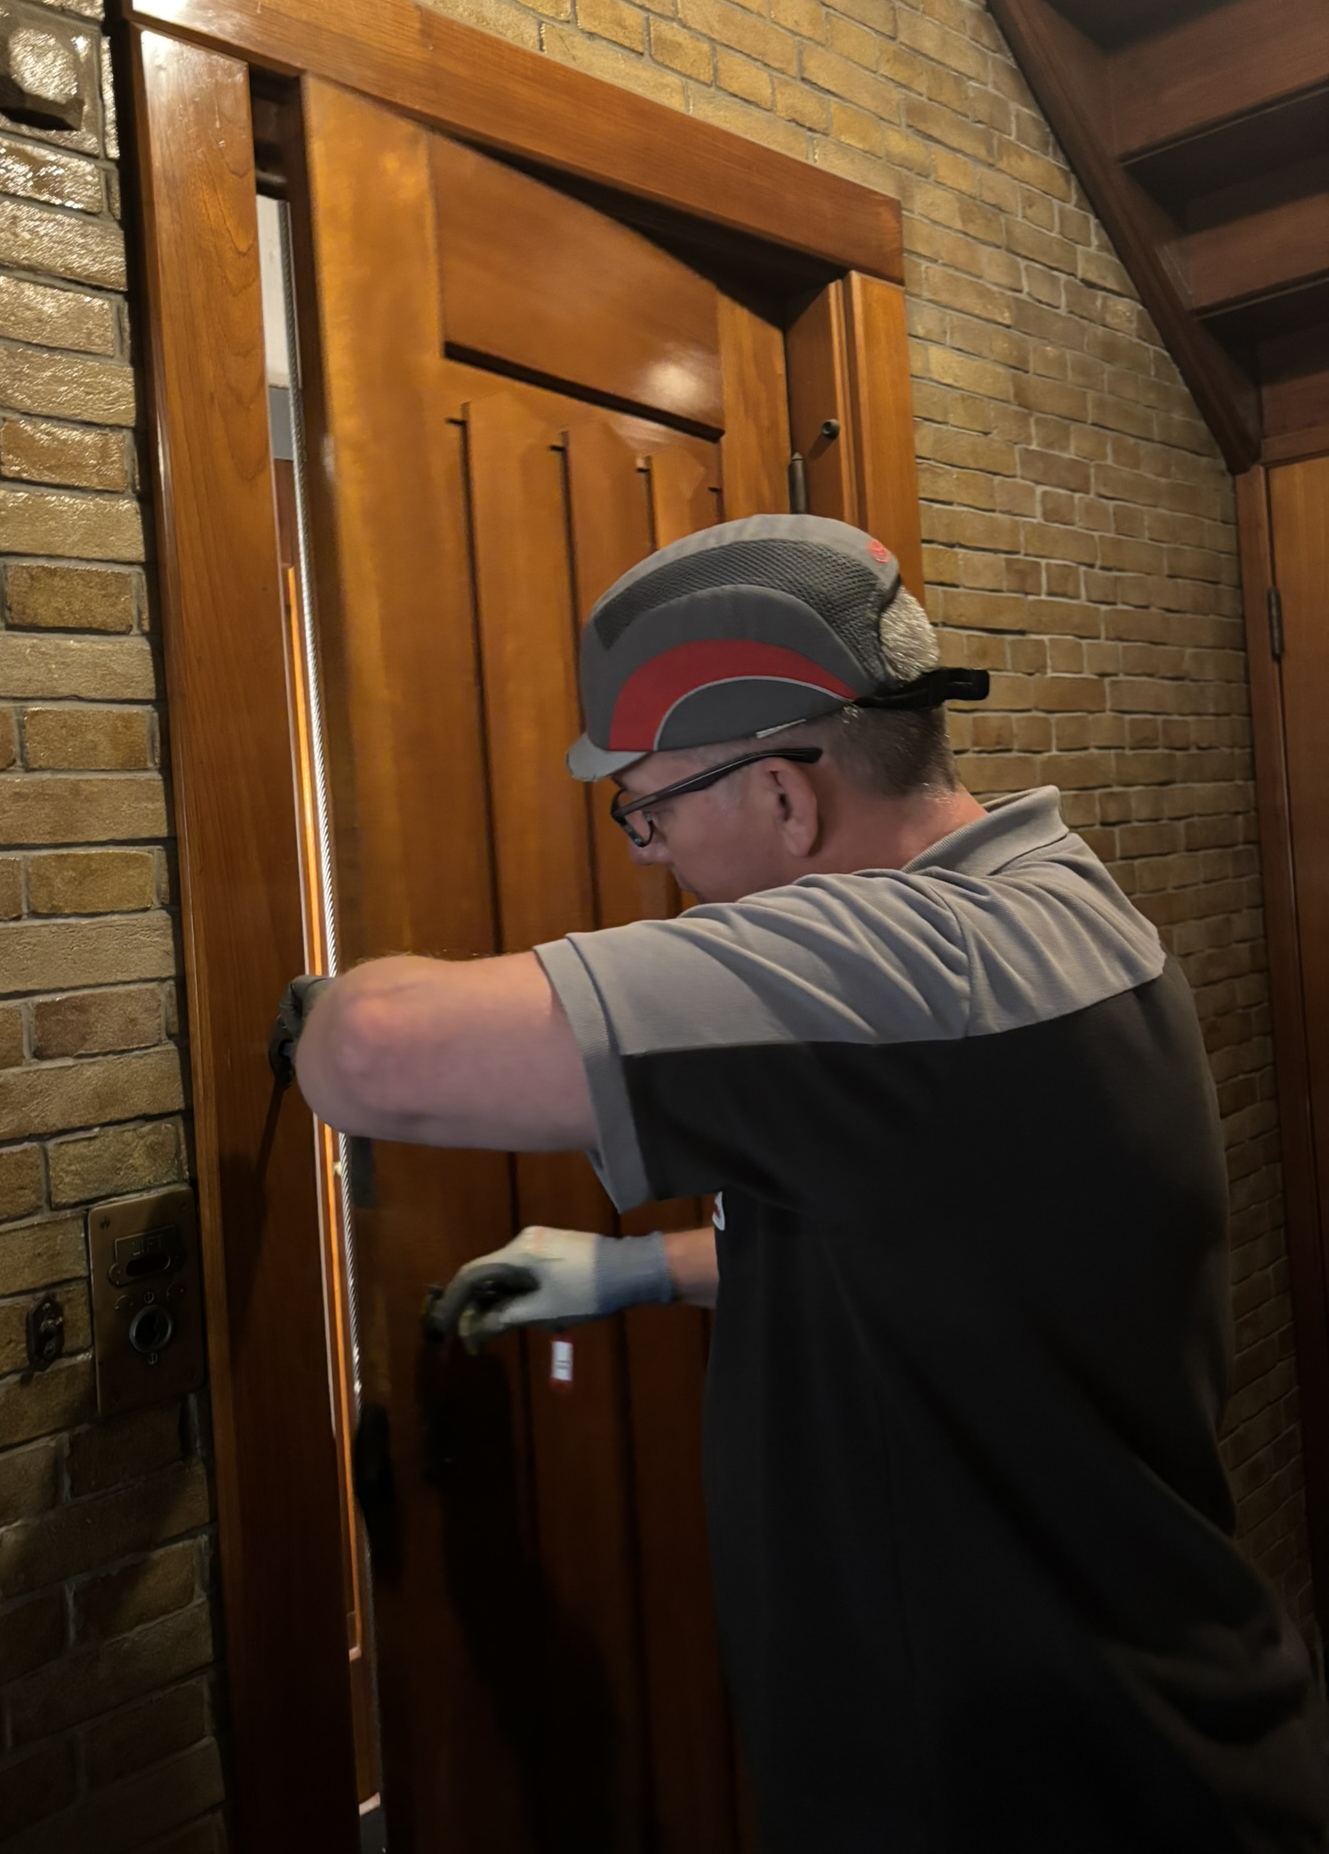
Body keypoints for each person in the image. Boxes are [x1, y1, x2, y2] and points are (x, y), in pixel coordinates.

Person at [274, 513, 1328, 1852]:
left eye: (649, 810)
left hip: (1037, 1787)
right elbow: (950, 1243)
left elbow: (372, 1054)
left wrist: (324, 1011)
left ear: (784, 796)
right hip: (1139, 1724)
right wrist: (638, 1269)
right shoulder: (1044, 892)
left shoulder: (909, 964)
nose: (647, 852)